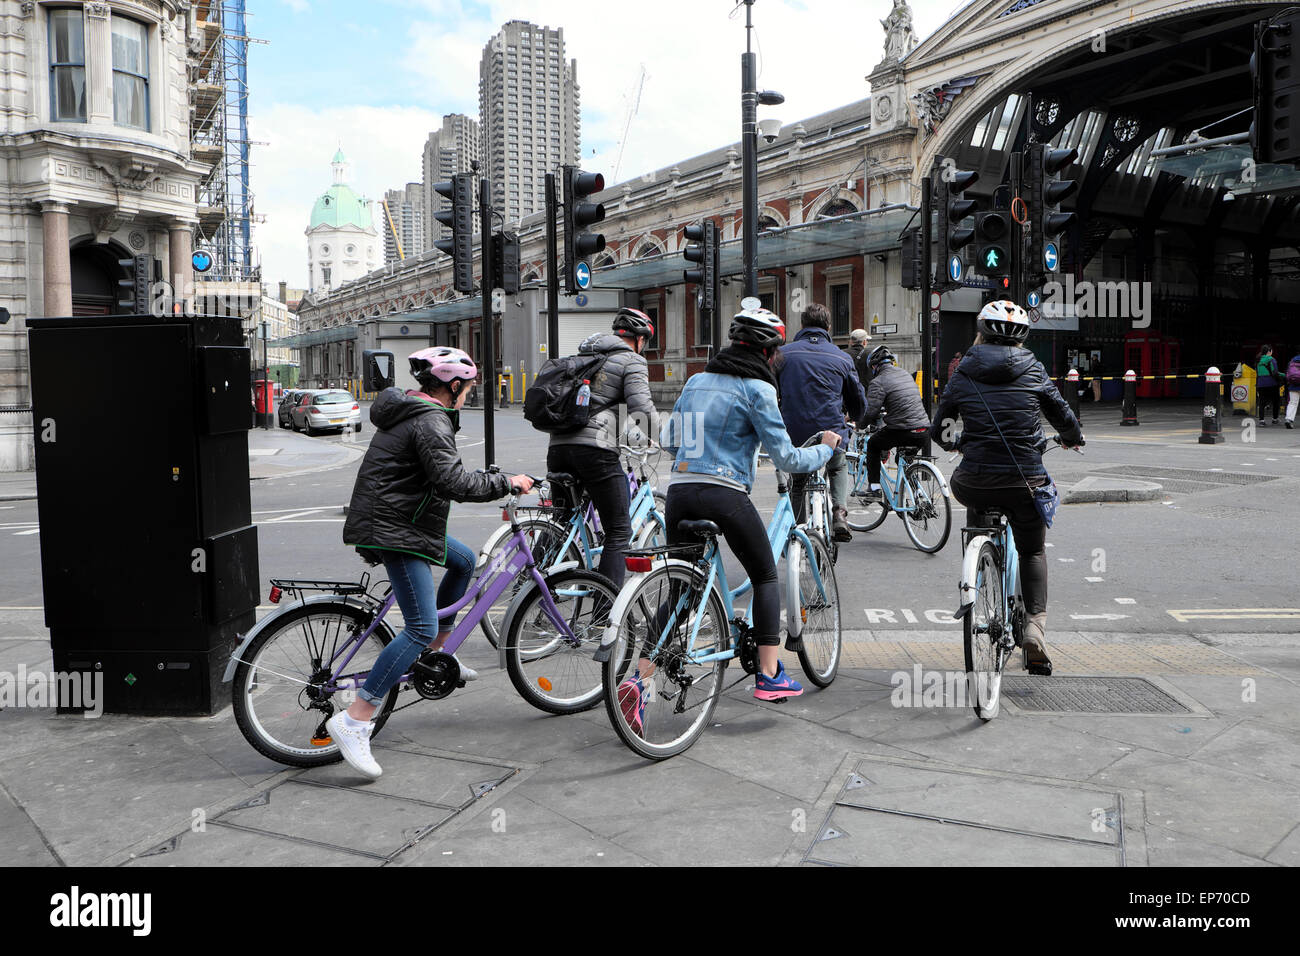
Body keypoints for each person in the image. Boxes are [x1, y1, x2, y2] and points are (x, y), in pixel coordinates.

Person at [616, 306, 840, 732]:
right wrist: (825, 449)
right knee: (765, 576)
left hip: (681, 492)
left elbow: (671, 439)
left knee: (682, 593)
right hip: (724, 493)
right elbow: (787, 458)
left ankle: (638, 682)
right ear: (768, 352)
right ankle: (770, 674)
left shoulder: (697, 380)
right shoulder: (759, 388)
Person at [331, 347, 534, 779]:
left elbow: (436, 472)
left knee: (463, 561)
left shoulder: (413, 410)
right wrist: (508, 482)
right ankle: (356, 719)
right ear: (453, 385)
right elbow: (453, 481)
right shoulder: (431, 419)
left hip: (402, 521)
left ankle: (437, 655)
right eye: (469, 387)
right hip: (397, 529)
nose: (470, 394)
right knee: (418, 627)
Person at [931, 301, 1083, 676]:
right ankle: (1034, 630)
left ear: (980, 333)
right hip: (1024, 480)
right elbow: (1062, 415)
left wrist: (958, 443)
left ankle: (978, 563)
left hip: (974, 481)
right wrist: (1071, 437)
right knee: (1032, 550)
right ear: (1021, 339)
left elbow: (941, 430)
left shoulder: (964, 370)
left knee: (977, 497)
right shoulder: (1033, 368)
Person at [546, 308, 659, 588]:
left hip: (558, 447)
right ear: (640, 339)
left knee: (561, 522)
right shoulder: (632, 360)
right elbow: (641, 407)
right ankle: (605, 607)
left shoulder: (582, 358)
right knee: (619, 531)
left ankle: (532, 583)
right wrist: (660, 436)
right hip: (595, 451)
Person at [773, 303, 866, 542]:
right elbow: (857, 399)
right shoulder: (842, 357)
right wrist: (856, 416)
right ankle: (840, 512)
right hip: (831, 430)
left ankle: (796, 534)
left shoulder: (783, 354)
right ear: (829, 327)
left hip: (795, 432)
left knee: (797, 481)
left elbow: (771, 393)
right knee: (837, 466)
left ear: (802, 325)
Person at [854, 346, 931, 501]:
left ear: (874, 367)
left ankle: (874, 489)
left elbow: (871, 411)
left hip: (902, 430)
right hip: (923, 429)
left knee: (873, 445)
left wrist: (859, 424)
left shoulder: (878, 381)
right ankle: (917, 494)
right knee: (902, 460)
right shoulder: (905, 374)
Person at [1256, 345, 1283, 425]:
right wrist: (1283, 375)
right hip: (1272, 384)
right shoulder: (1271, 359)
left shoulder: (1258, 360)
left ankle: (1261, 421)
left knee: (1261, 402)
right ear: (1269, 351)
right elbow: (1275, 372)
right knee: (1275, 401)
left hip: (1261, 384)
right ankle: (1275, 419)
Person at [1285, 349, 1300, 429]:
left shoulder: (1292, 361)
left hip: (1293, 385)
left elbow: (1288, 374)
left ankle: (1289, 419)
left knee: (1292, 403)